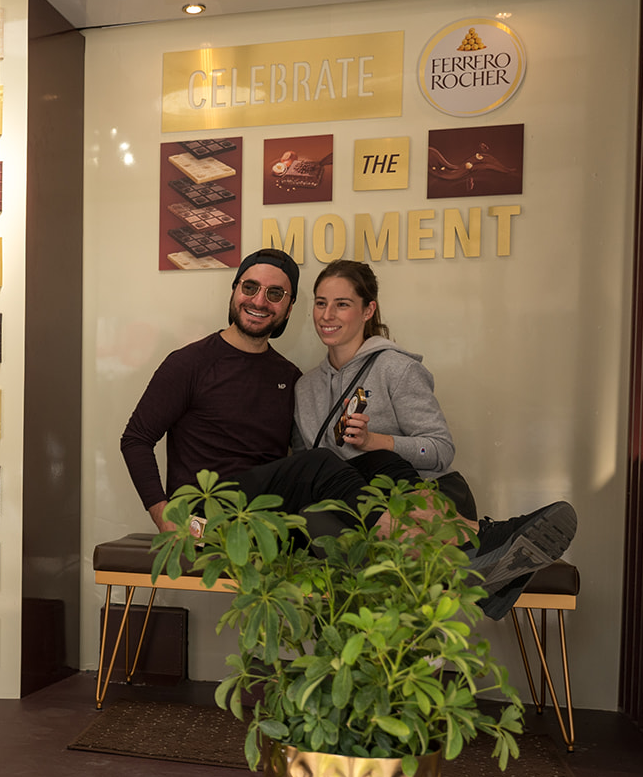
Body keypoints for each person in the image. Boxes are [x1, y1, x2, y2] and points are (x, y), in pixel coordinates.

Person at [119, 248, 575, 619]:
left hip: (268, 521)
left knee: (377, 461)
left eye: (275, 293)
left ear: (288, 307)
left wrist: (373, 449)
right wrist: (165, 516)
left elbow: (290, 465)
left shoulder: (288, 377)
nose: (260, 301)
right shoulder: (189, 363)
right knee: (323, 463)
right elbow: (135, 439)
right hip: (205, 521)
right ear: (235, 290)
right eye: (250, 287)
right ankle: (480, 541)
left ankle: (480, 545)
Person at [294, 259, 467, 512]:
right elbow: (304, 465)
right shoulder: (304, 387)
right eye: (321, 303)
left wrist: (374, 441)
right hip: (348, 511)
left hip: (417, 506)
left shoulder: (396, 369)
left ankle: (494, 532)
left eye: (342, 304)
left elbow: (440, 450)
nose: (327, 315)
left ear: (368, 310)